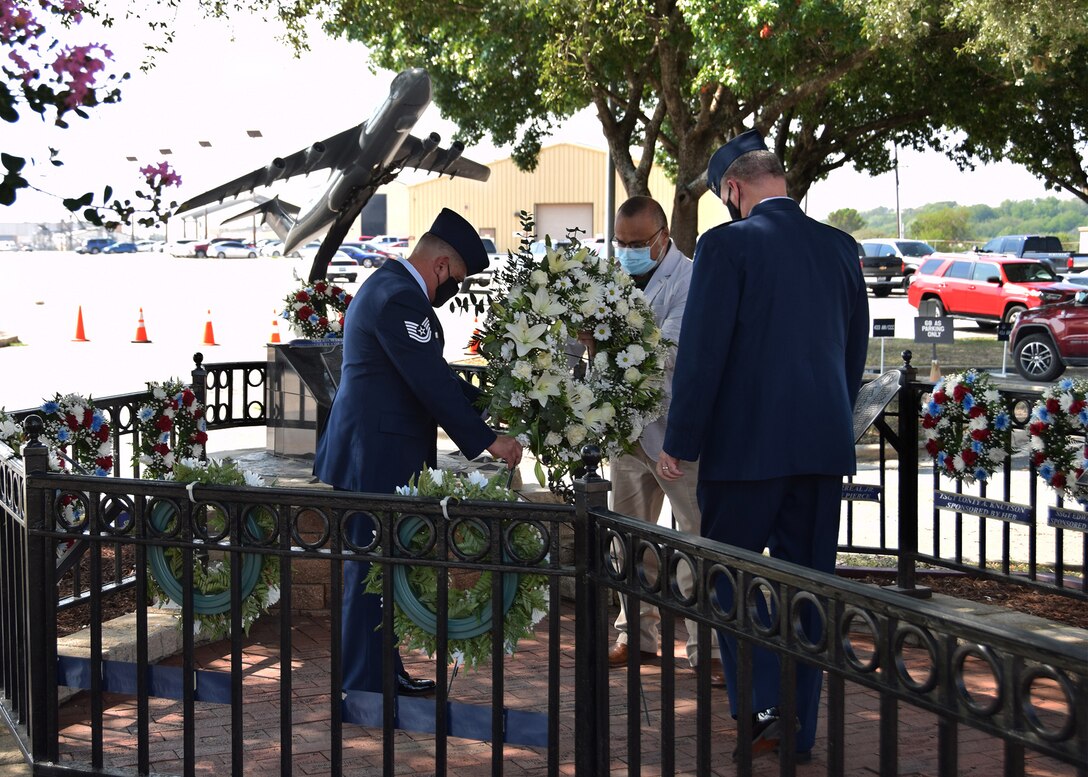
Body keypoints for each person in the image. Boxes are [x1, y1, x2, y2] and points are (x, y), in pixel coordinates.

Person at [657, 129, 869, 760]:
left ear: (732, 189)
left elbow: (702, 353)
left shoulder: (726, 246)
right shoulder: (840, 247)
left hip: (745, 452)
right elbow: (852, 354)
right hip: (820, 448)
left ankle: (765, 704)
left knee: (729, 579)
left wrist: (682, 440)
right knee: (810, 588)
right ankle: (796, 723)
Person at [314, 207, 523, 696]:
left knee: (382, 570)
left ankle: (382, 673)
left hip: (375, 454)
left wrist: (492, 406)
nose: (453, 291)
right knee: (369, 572)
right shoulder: (400, 300)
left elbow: (433, 373)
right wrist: (488, 441)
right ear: (441, 266)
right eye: (459, 279)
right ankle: (365, 685)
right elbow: (430, 383)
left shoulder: (389, 286)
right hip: (374, 458)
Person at [589, 196, 723, 688]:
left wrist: (602, 340)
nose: (625, 252)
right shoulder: (610, 278)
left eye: (636, 244)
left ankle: (705, 647)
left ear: (662, 238)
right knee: (627, 542)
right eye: (619, 244)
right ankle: (636, 634)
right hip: (625, 434)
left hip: (677, 434)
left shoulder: (690, 279)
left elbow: (665, 351)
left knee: (695, 541)